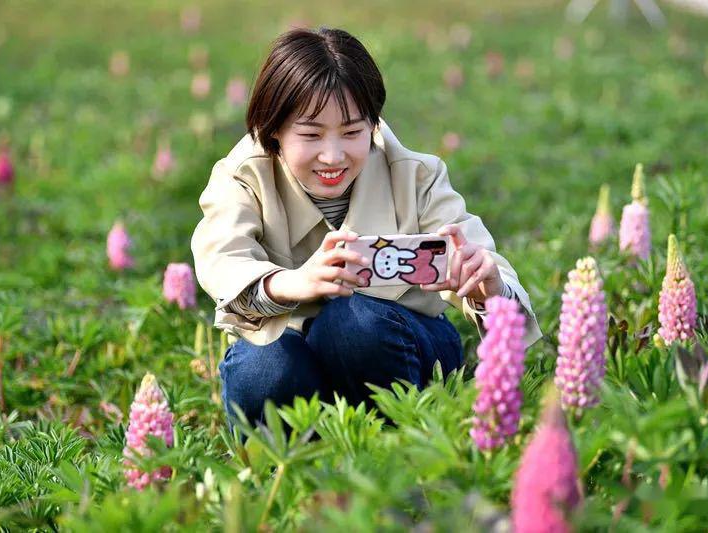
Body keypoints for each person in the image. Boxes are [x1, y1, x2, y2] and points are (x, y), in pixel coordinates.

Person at [190, 27, 542, 429]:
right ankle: (303, 465)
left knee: (350, 325)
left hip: (399, 344)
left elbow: (485, 263)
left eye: (353, 131)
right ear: (274, 129)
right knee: (262, 367)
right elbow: (222, 259)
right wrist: (292, 283)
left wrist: (487, 285)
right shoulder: (241, 177)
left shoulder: (414, 174)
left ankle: (395, 445)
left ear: (374, 124)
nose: (333, 155)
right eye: (310, 134)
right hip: (290, 350)